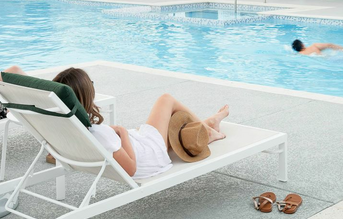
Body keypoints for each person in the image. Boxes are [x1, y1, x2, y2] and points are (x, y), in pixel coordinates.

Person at [53, 67, 228, 179]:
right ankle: (207, 129)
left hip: (138, 144)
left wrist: (119, 134)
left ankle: (206, 126)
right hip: (150, 157)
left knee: (166, 124)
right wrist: (122, 132)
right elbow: (131, 169)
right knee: (166, 100)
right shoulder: (101, 136)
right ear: (85, 96)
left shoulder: (70, 129)